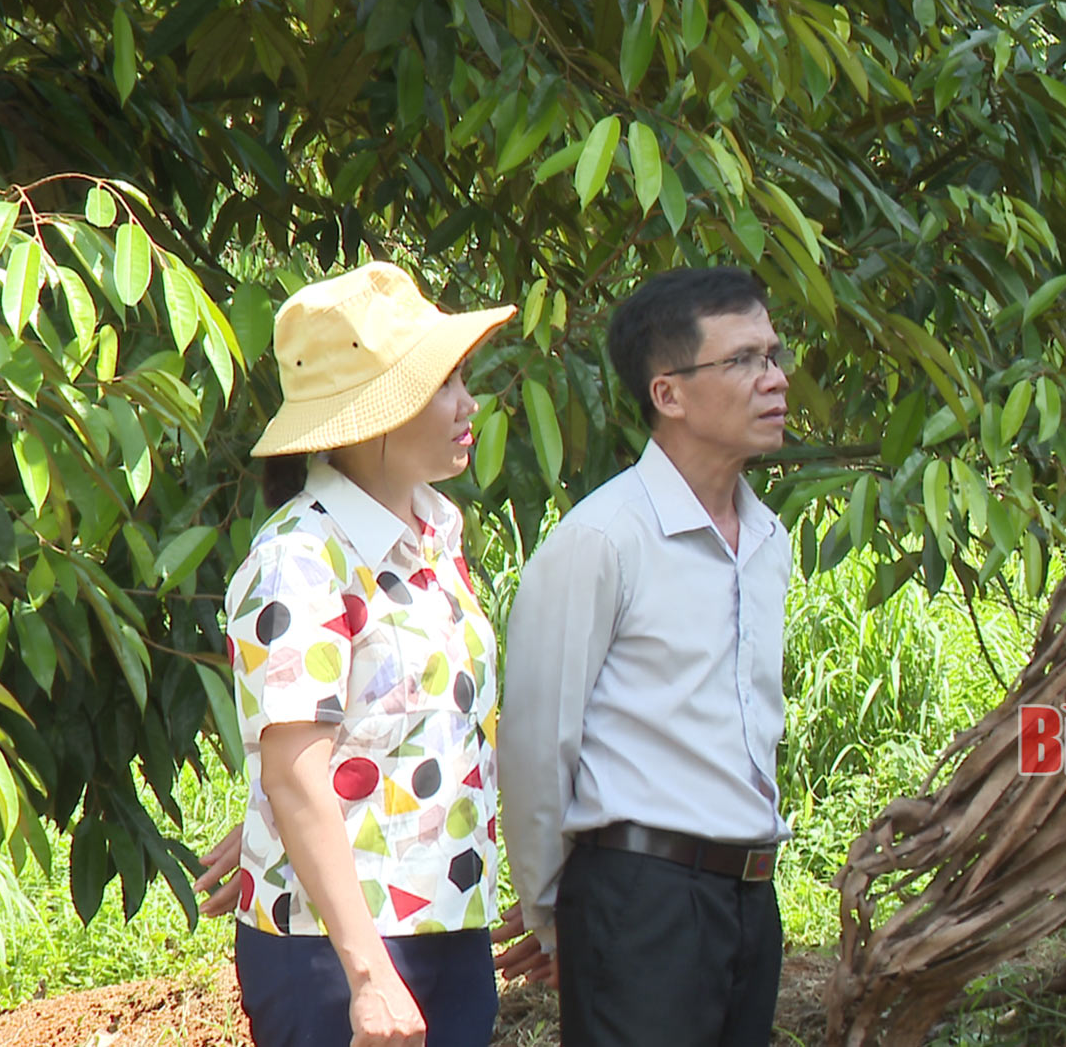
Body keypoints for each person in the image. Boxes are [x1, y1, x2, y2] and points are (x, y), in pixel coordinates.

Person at [217, 261, 516, 1047]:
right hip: (345, 947)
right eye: (444, 384)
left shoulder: (435, 535)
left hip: (447, 920)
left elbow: (416, 727)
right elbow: (293, 770)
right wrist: (369, 974)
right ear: (375, 412)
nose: (468, 405)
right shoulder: (302, 556)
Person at [499, 267, 794, 1047]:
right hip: (639, 897)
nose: (774, 379)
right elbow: (536, 741)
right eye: (744, 360)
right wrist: (554, 908)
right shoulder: (603, 540)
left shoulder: (769, 540)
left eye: (773, 353)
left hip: (750, 896)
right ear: (669, 393)